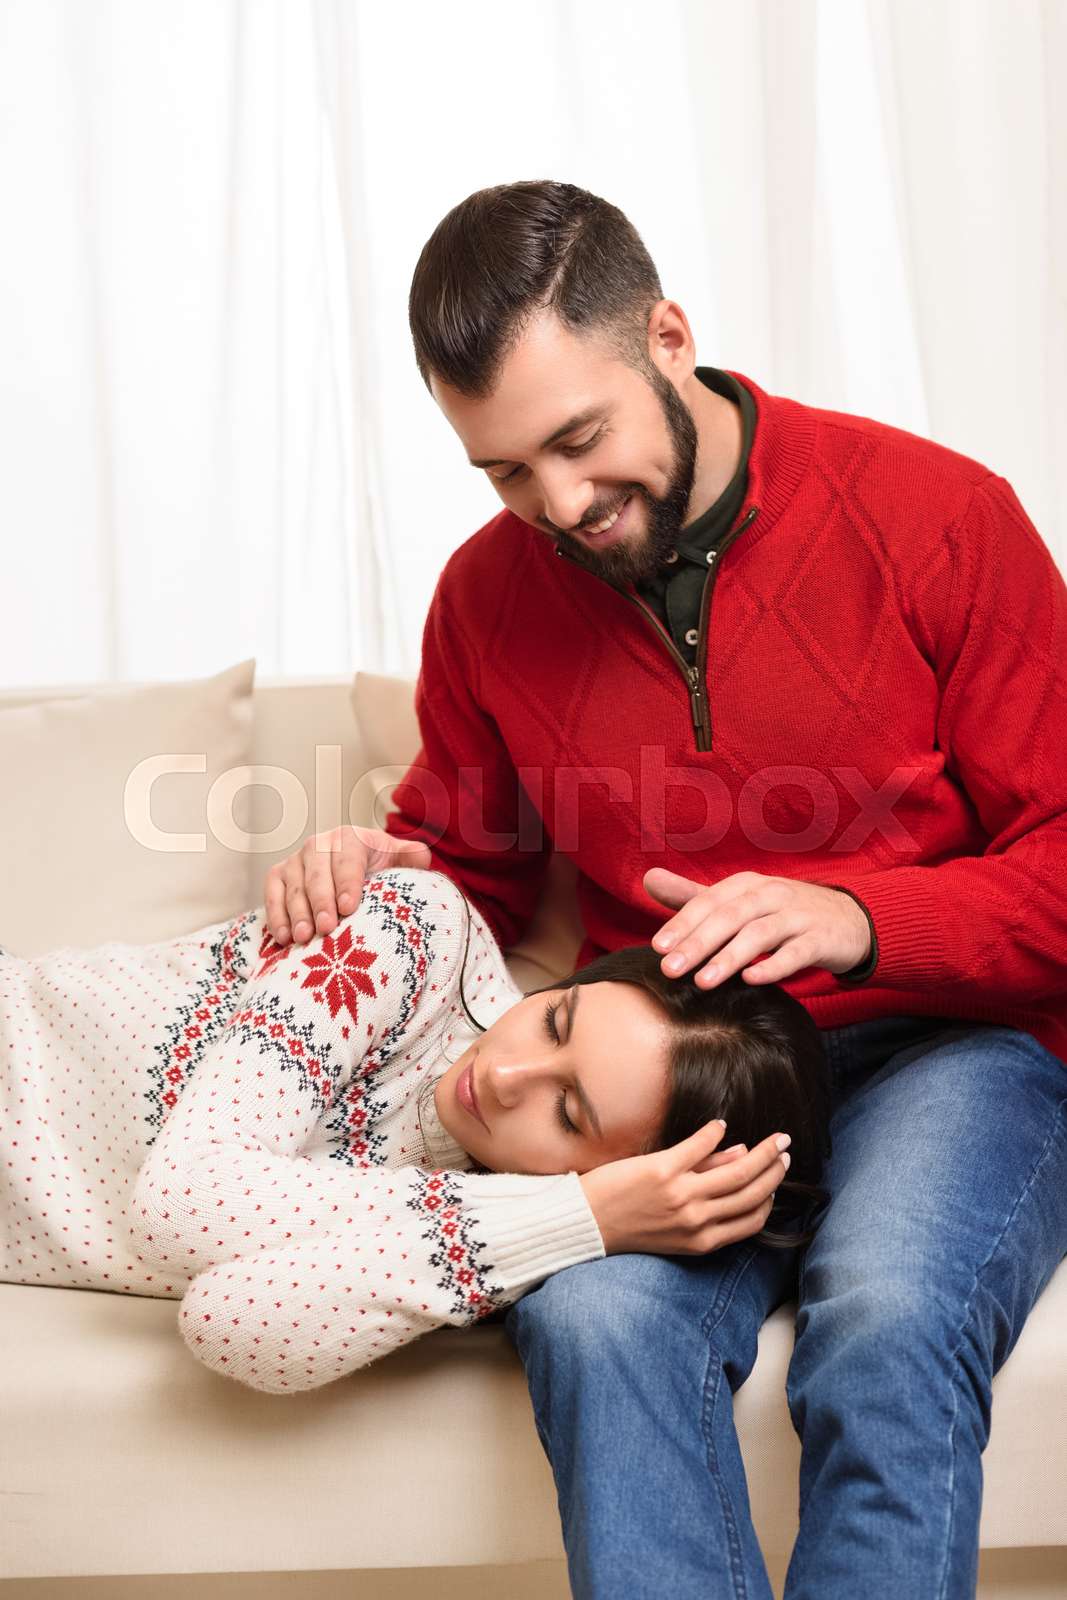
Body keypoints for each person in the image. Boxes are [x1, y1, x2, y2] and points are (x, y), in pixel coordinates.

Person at [262, 180, 1067, 1598]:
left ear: (668, 337)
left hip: (946, 1049)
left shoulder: (939, 517)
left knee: (881, 1315)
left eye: (577, 440)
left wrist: (862, 917)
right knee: (592, 1322)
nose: (558, 506)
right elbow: (473, 879)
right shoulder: (484, 599)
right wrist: (374, 873)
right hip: (666, 1086)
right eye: (505, 472)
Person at [0, 865, 821, 1394]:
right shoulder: (420, 934)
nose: (502, 1078)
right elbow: (181, 1202)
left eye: (567, 1113)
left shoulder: (523, 1236)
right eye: (555, 1020)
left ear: (627, 1176)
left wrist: (577, 1222)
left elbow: (231, 1320)